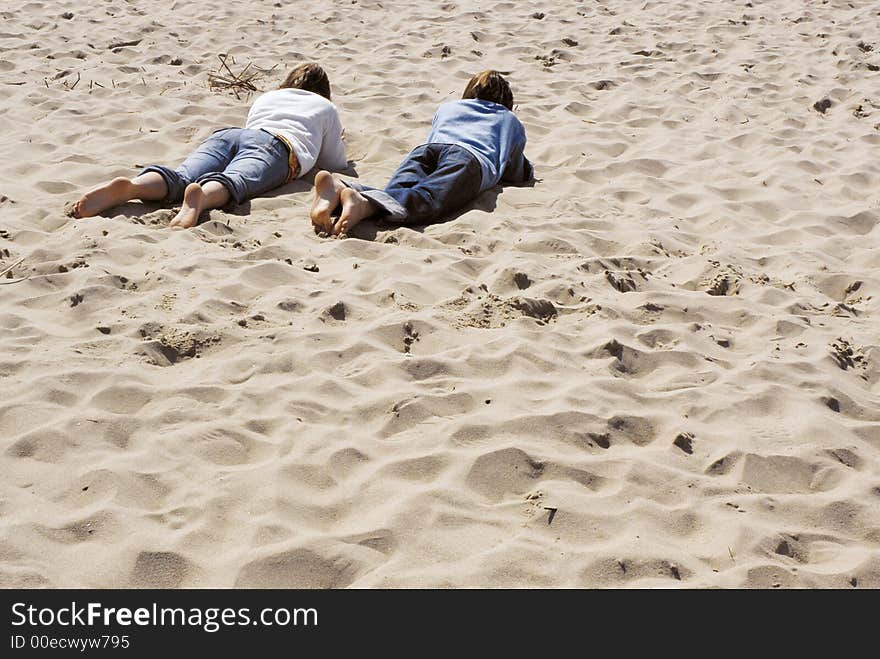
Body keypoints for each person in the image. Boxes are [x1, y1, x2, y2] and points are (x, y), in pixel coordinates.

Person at [70, 63, 348, 228]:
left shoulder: (268, 98)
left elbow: (253, 127)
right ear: (323, 91)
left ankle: (133, 187)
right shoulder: (326, 107)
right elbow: (335, 163)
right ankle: (201, 198)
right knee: (236, 180)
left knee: (181, 176)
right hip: (277, 146)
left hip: (231, 135)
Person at [309, 70, 532, 237]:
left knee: (397, 191)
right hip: (470, 158)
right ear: (507, 103)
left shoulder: (449, 107)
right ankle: (362, 202)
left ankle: (344, 190)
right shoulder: (509, 120)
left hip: (427, 151)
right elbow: (515, 170)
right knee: (429, 199)